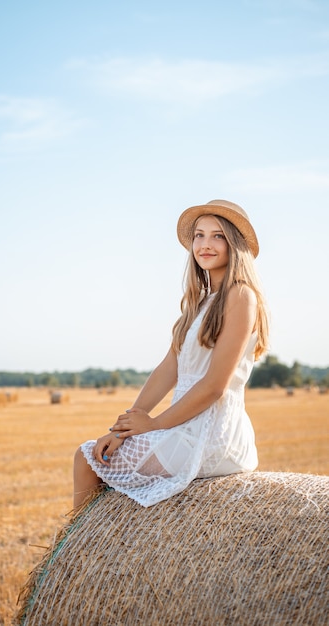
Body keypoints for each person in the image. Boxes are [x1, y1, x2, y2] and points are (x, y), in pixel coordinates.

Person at [73, 199, 269, 508]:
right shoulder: (201, 301)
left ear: (234, 244)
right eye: (199, 236)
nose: (205, 244)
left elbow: (214, 386)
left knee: (87, 461)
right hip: (183, 426)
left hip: (213, 434)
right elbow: (168, 368)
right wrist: (123, 429)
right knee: (95, 453)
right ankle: (87, 552)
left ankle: (76, 557)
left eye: (217, 235)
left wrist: (153, 424)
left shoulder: (241, 296)